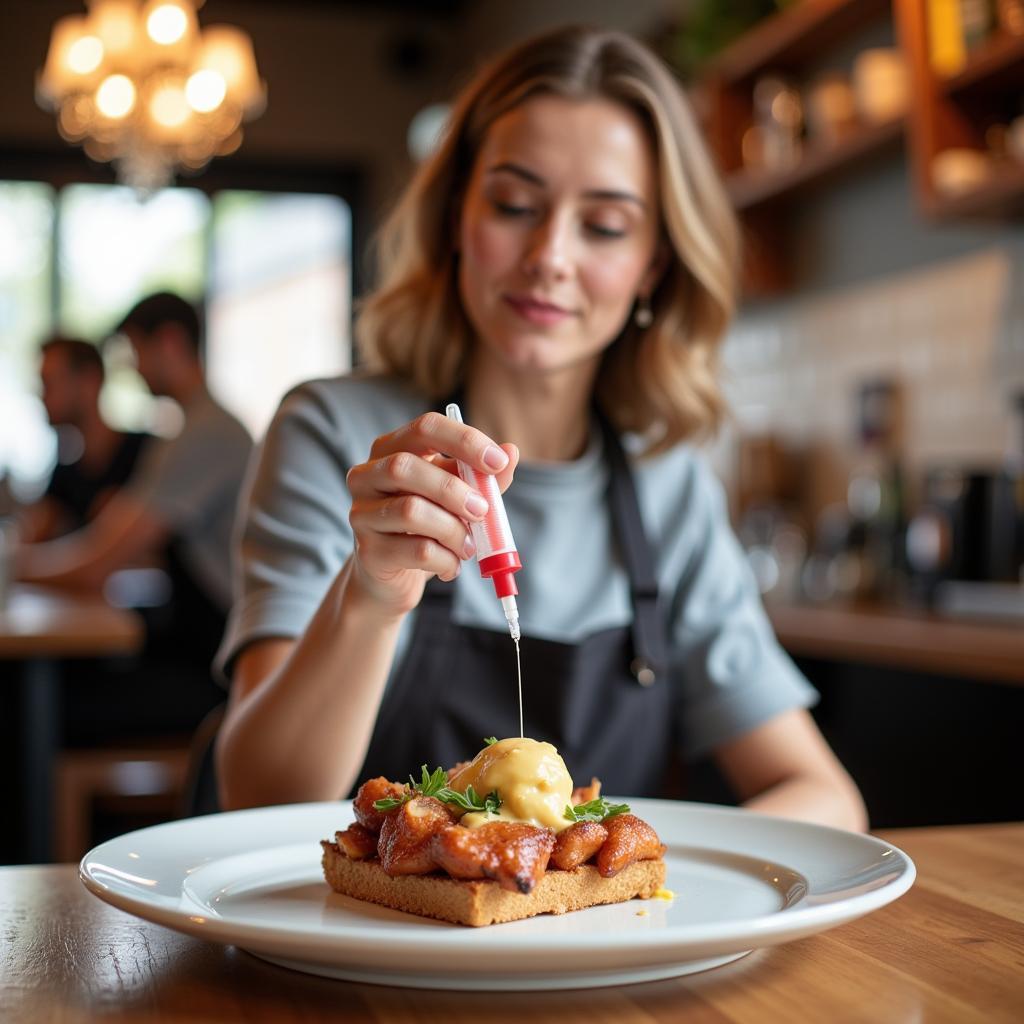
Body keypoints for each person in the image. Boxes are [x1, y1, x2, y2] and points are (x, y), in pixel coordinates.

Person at [215, 26, 867, 831]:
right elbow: (256, 801)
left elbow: (826, 797)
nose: (550, 255)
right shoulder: (330, 432)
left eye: (605, 225)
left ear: (653, 268)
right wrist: (371, 598)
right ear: (458, 215)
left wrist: (614, 862)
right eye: (515, 204)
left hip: (604, 958)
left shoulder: (668, 483)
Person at [17, 292, 253, 672]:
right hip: (207, 639)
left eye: (136, 350)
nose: (132, 368)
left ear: (170, 342)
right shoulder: (191, 429)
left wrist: (11, 566)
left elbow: (96, 564)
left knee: (58, 703)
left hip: (220, 658)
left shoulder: (205, 434)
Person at [18, 336, 150, 543]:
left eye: (48, 383)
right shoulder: (66, 470)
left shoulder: (148, 454)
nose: (41, 396)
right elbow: (32, 536)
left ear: (90, 380)